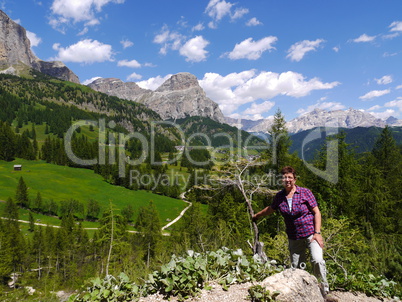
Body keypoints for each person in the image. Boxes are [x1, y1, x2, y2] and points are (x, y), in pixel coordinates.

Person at [252, 166, 329, 295]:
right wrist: (257, 216)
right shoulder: (280, 196)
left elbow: (316, 212)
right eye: (284, 177)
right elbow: (271, 209)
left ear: (295, 179)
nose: (287, 180)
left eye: (290, 177)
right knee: (297, 269)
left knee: (317, 260)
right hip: (294, 237)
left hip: (311, 233)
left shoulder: (305, 193)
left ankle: (324, 291)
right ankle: (302, 293)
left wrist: (318, 233)